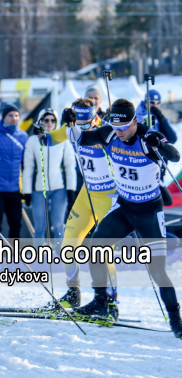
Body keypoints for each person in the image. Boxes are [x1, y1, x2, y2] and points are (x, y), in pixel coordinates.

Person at [68, 98, 182, 338]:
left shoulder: (147, 137)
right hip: (124, 207)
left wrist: (158, 144)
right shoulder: (109, 134)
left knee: (157, 270)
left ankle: (176, 320)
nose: (118, 132)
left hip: (149, 211)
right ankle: (102, 302)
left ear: (134, 122)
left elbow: (174, 156)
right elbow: (80, 139)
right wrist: (71, 123)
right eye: (115, 126)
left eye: (123, 127)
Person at [38, 97, 117, 309]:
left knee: (102, 249)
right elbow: (49, 139)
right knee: (68, 245)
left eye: (86, 124)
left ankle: (110, 300)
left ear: (95, 117)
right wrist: (40, 132)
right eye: (78, 124)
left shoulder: (105, 130)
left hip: (109, 195)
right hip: (88, 193)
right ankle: (73, 293)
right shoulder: (71, 127)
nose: (82, 129)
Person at [22, 108, 76, 249]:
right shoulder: (33, 141)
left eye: (53, 120)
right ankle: (38, 255)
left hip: (59, 188)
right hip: (39, 189)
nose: (50, 123)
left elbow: (70, 166)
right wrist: (26, 191)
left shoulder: (62, 140)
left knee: (58, 224)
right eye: (46, 120)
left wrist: (71, 189)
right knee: (40, 226)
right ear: (41, 121)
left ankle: (61, 254)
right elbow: (27, 168)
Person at [0, 104, 28, 239]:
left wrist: (26, 188)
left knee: (16, 223)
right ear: (3, 117)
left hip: (14, 189)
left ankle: (14, 254)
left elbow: (26, 164)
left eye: (16, 115)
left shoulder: (23, 136)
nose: (14, 118)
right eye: (10, 115)